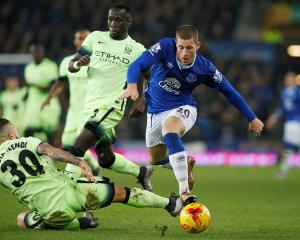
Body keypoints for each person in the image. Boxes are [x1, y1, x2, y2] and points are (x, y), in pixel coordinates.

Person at [121, 25, 264, 204]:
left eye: (189, 47)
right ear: (176, 43)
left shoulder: (205, 68)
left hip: (183, 109)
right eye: (181, 47)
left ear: (198, 45)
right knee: (155, 159)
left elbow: (229, 91)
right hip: (155, 111)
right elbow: (138, 64)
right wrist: (132, 86)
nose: (184, 52)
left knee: (170, 129)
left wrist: (252, 118)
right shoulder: (165, 46)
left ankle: (184, 192)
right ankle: (184, 162)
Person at [0, 118, 182, 230]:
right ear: (10, 136)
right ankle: (170, 203)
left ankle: (82, 223)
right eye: (15, 130)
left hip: (52, 213)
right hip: (71, 193)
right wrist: (78, 162)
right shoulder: (25, 142)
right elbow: (52, 152)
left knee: (21, 220)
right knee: (123, 193)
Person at [68, 3, 153, 191]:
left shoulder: (137, 49)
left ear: (129, 22)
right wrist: (78, 64)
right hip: (89, 106)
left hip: (111, 107)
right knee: (106, 159)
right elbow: (71, 64)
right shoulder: (95, 38)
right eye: (110, 19)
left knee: (77, 149)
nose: (113, 23)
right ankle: (142, 172)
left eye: (118, 19)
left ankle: (62, 193)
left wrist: (143, 99)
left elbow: (150, 77)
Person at [41, 30, 99, 177]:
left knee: (77, 147)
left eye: (85, 38)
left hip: (90, 110)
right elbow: (60, 83)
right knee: (67, 145)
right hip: (74, 111)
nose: (82, 40)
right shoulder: (67, 62)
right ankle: (94, 166)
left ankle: (70, 178)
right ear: (75, 41)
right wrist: (48, 98)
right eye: (79, 38)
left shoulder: (98, 61)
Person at [22, 44, 61, 143]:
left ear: (43, 53)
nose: (36, 54)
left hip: (48, 104)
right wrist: (25, 95)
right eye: (34, 52)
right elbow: (28, 86)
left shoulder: (50, 66)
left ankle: (52, 157)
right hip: (33, 105)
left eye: (38, 52)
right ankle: (32, 155)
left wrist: (35, 85)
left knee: (50, 134)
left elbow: (53, 86)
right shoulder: (28, 68)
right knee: (28, 131)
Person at [265, 71, 300, 179]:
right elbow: (282, 109)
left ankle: (283, 171)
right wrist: (273, 118)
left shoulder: (298, 92)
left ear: (293, 79)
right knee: (287, 147)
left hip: (297, 122)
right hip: (289, 123)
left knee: (289, 147)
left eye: (289, 78)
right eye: (286, 78)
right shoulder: (283, 92)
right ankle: (283, 171)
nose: (287, 80)